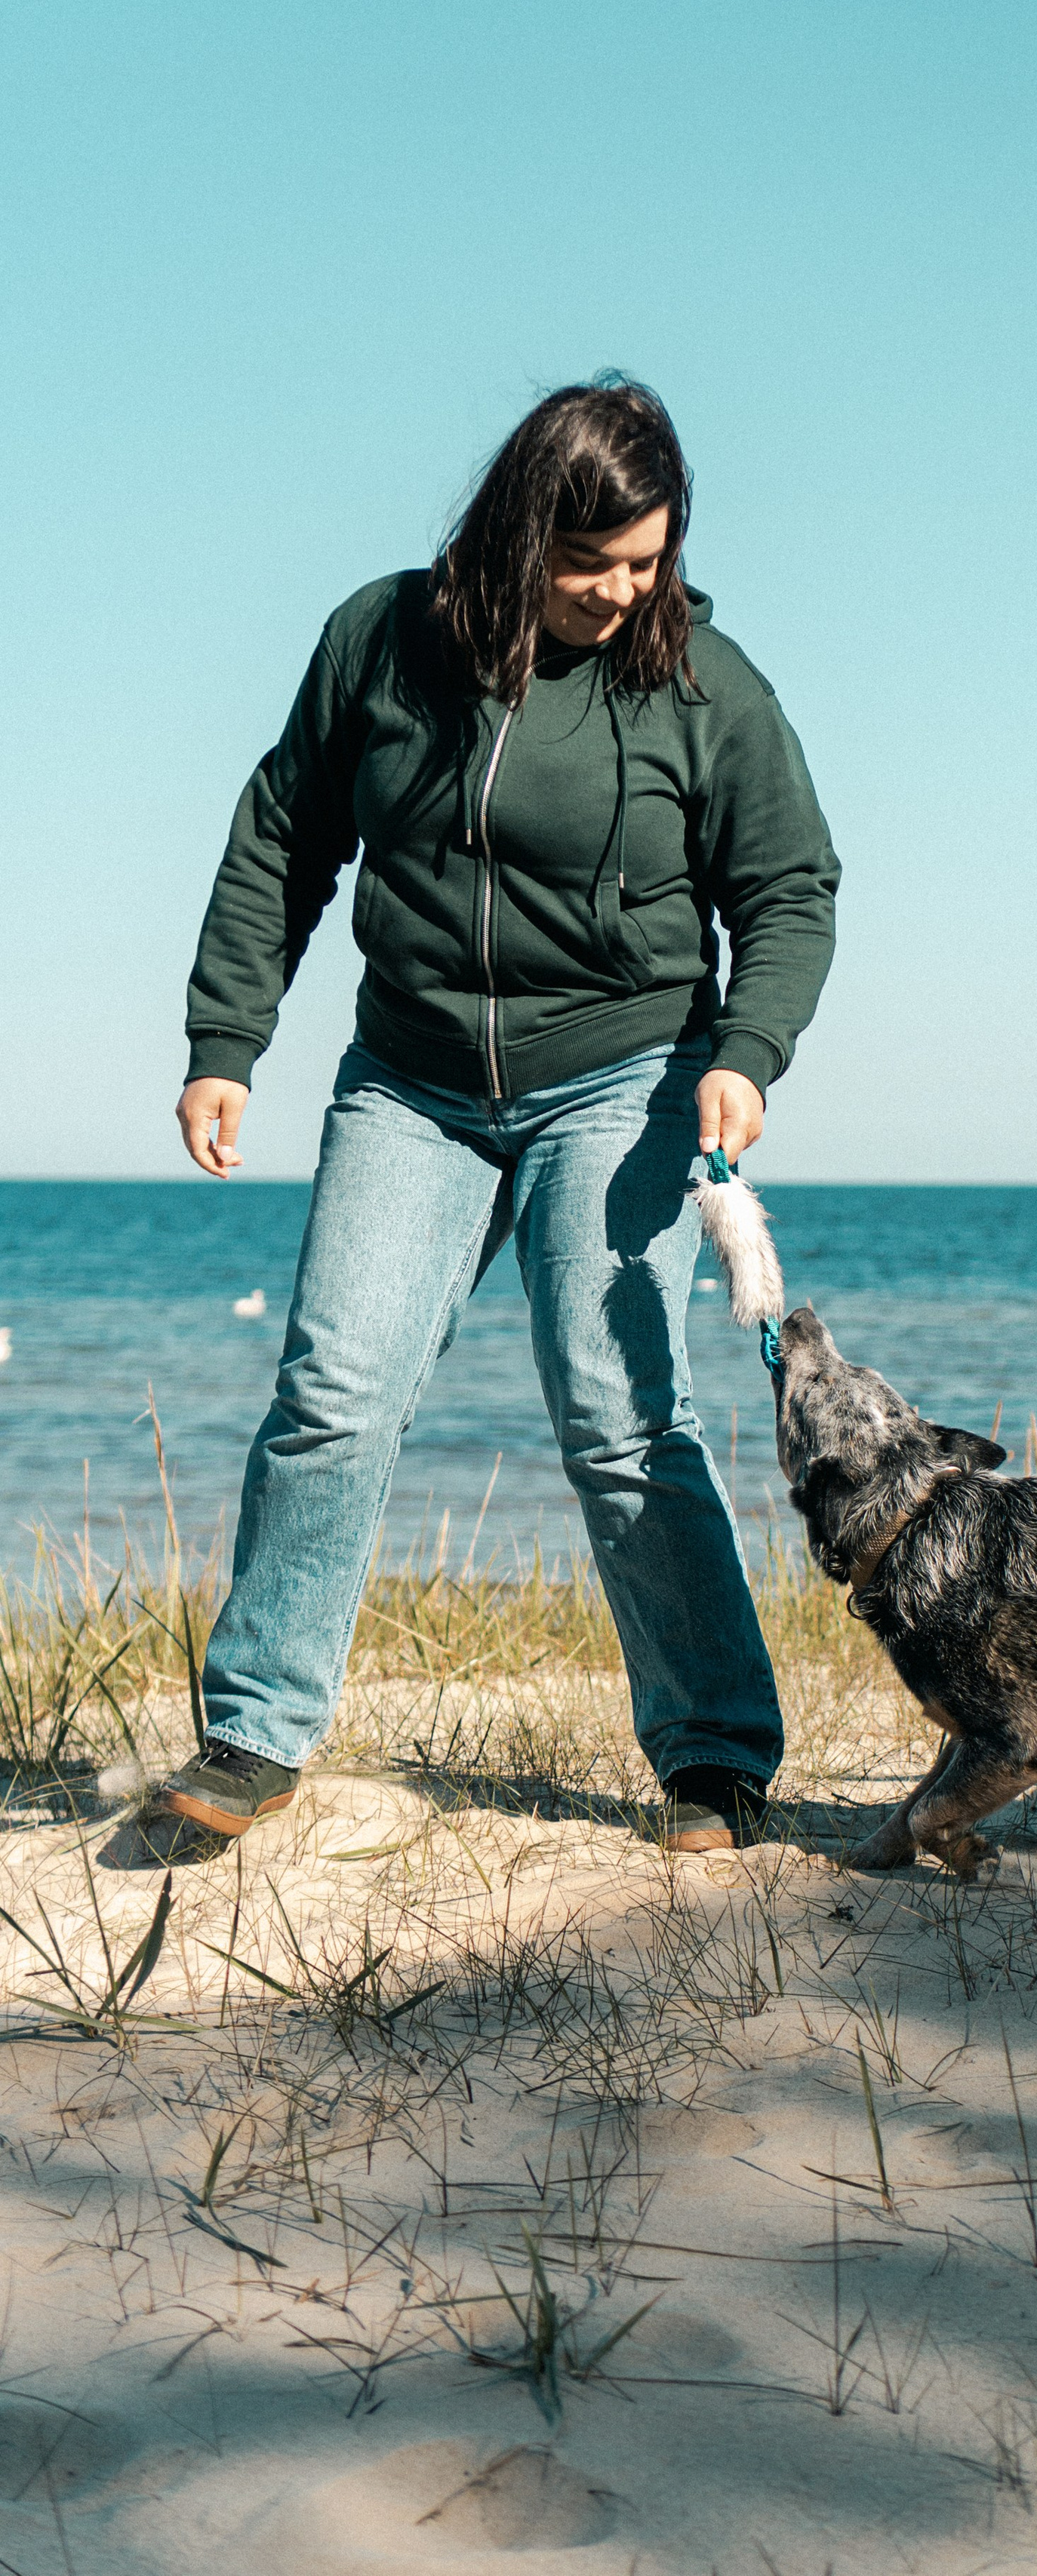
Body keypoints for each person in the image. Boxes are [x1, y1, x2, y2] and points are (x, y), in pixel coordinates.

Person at [158, 377, 839, 1851]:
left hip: (620, 1073)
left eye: (645, 562)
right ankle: (252, 1739)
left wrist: (748, 1051)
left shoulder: (702, 683)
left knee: (617, 1419)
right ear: (519, 532)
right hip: (409, 1083)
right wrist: (228, 1039)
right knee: (333, 1397)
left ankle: (714, 1757)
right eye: (589, 562)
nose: (618, 590)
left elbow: (787, 889)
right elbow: (285, 830)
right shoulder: (383, 640)